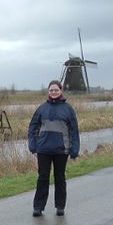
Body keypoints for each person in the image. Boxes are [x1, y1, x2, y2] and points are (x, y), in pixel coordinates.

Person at [28, 80, 80, 216]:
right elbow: (32, 127)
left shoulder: (68, 109)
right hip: (43, 149)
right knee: (43, 178)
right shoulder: (42, 109)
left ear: (61, 91)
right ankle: (38, 207)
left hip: (61, 150)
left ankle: (60, 206)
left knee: (60, 177)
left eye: (56, 90)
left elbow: (74, 130)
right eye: (51, 90)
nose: (53, 92)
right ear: (48, 92)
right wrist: (33, 146)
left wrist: (74, 150)